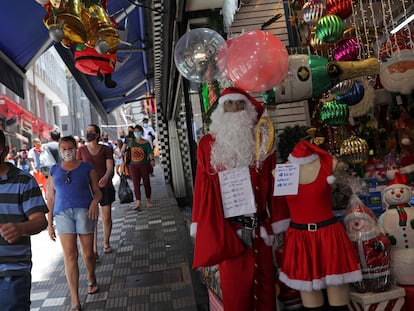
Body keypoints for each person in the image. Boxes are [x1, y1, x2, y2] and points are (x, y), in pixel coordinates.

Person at [190, 87, 281, 311]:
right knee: (236, 295)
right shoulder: (206, 146)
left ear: (249, 109)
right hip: (229, 235)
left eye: (240, 105)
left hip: (260, 231)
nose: (235, 110)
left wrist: (278, 222)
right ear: (220, 110)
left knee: (266, 294)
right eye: (229, 105)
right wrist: (200, 225)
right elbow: (201, 187)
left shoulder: (262, 141)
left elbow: (274, 187)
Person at [274, 140, 362, 310]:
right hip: (300, 240)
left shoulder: (329, 164)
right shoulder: (282, 171)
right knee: (311, 305)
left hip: (329, 236)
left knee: (339, 303)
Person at [46, 136, 101, 311]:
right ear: (60, 151)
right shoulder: (54, 170)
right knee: (70, 256)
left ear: (76, 148)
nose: (67, 151)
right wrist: (49, 223)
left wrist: (94, 202)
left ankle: (91, 277)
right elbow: (51, 198)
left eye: (70, 148)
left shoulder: (86, 168)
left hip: (84, 211)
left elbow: (97, 192)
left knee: (88, 254)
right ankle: (75, 300)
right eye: (64, 149)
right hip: (62, 215)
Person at [0, 129, 48, 310]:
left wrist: (20, 228)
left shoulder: (23, 181)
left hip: (12, 272)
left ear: (4, 151)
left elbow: (40, 221)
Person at [77, 124, 115, 256]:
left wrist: (105, 177)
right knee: (92, 219)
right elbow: (78, 168)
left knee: (106, 217)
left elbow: (109, 167)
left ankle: (106, 243)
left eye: (91, 132)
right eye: (87, 132)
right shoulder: (81, 150)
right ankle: (94, 249)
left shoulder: (106, 149)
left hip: (105, 187)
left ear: (97, 135)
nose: (88, 134)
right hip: (89, 189)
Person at [122, 125, 155, 210]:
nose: (137, 133)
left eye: (138, 131)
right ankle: (138, 202)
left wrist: (152, 160)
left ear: (141, 132)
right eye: (135, 131)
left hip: (144, 164)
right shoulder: (131, 142)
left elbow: (150, 153)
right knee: (136, 184)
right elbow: (124, 151)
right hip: (133, 166)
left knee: (146, 182)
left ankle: (148, 200)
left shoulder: (146, 143)